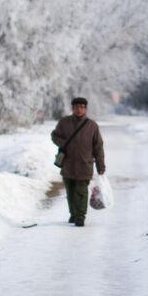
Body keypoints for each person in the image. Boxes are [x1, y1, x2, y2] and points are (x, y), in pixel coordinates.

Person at [50, 97, 106, 227]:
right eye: (76, 107)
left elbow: (98, 147)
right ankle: (74, 214)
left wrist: (100, 165)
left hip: (84, 164)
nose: (79, 109)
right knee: (70, 191)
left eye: (81, 107)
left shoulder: (92, 126)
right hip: (68, 164)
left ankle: (80, 217)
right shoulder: (64, 123)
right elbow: (54, 136)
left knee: (81, 191)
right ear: (72, 108)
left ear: (85, 109)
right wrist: (64, 143)